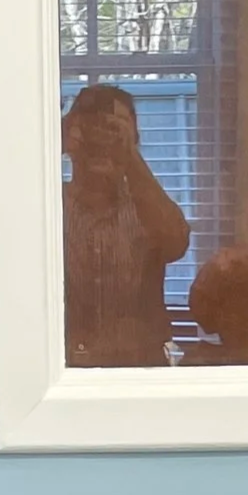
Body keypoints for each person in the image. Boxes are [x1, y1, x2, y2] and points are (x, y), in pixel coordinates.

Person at [62, 83, 190, 366]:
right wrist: (53, 141)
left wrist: (128, 156)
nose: (103, 139)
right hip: (62, 370)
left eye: (115, 129)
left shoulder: (147, 209)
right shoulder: (48, 207)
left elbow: (176, 243)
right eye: (92, 127)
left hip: (139, 369)